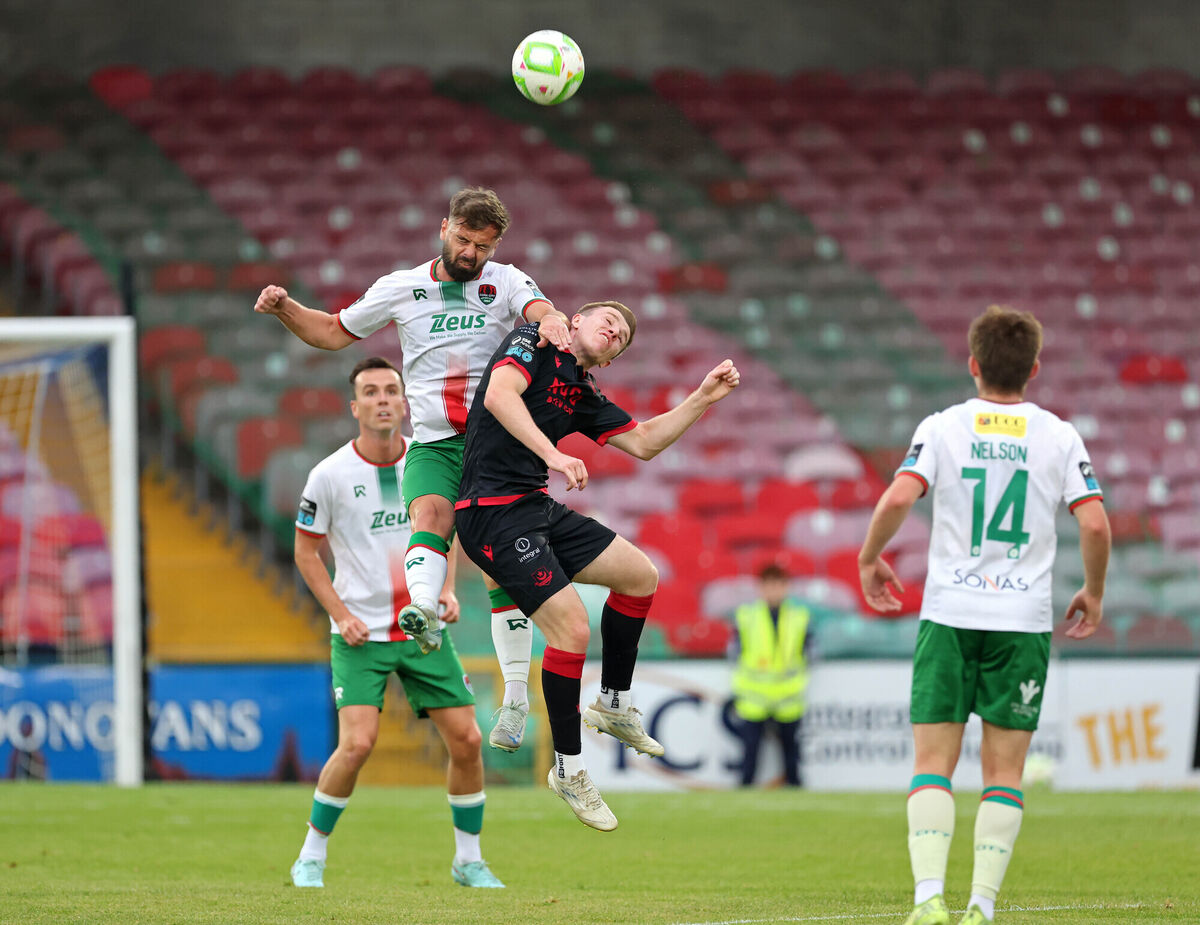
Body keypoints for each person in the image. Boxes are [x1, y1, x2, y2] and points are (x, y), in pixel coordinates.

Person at [254, 187, 570, 754]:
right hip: (433, 443)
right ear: (443, 226)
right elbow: (330, 331)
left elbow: (539, 308)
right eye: (464, 239)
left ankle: (517, 698)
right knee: (428, 513)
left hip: (495, 448)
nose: (471, 253)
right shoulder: (401, 288)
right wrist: (284, 308)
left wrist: (552, 322)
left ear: (497, 245)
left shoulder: (507, 281)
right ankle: (422, 609)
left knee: (502, 571)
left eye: (483, 245)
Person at [856, 306, 1110, 925]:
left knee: (932, 766)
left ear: (972, 365)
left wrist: (870, 558)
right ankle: (981, 908)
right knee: (1005, 773)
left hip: (950, 613)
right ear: (1034, 368)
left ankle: (927, 902)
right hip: (1021, 620)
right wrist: (1094, 591)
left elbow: (897, 496)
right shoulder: (1058, 435)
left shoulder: (943, 427)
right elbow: (1096, 522)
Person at [454, 300, 741, 831]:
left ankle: (612, 702)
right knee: (571, 628)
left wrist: (702, 398)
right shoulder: (533, 342)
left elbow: (645, 443)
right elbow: (498, 395)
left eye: (624, 336)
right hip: (491, 513)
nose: (616, 330)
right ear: (575, 321)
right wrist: (556, 455)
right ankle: (570, 768)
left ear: (610, 361)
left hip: (531, 507)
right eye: (607, 320)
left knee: (640, 576)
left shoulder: (581, 390)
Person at [288, 357, 503, 889]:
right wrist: (340, 615)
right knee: (357, 745)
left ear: (406, 403)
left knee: (469, 740)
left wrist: (446, 590)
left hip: (423, 633)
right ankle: (311, 855)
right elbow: (305, 552)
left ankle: (468, 860)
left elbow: (442, 531)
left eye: (391, 390)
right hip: (360, 635)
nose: (383, 399)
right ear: (355, 406)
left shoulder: (428, 464)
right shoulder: (329, 475)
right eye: (371, 391)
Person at [730, 561, 811, 788]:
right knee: (750, 751)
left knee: (791, 751)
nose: (774, 591)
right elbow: (734, 651)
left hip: (788, 696)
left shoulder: (800, 617)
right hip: (755, 696)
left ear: (786, 587)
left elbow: (810, 651)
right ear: (760, 588)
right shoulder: (746, 616)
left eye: (778, 585)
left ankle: (795, 787)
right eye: (769, 585)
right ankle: (745, 788)